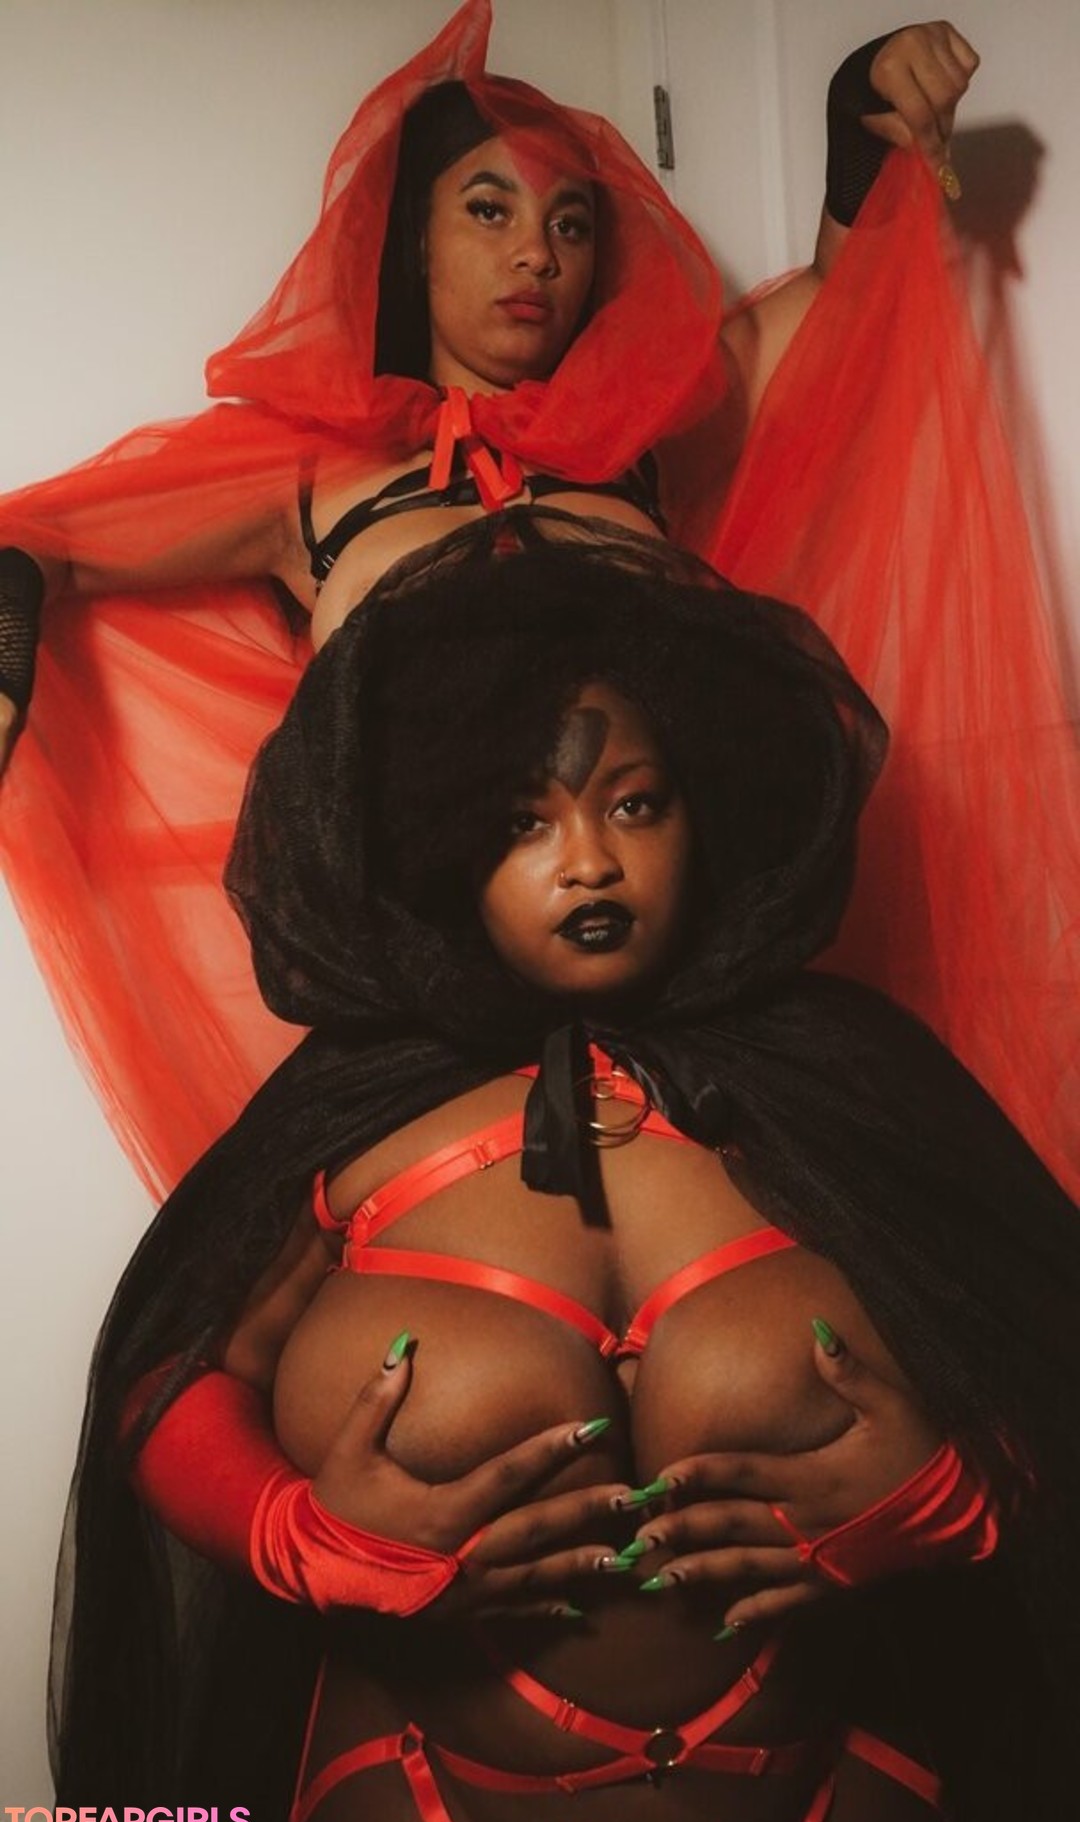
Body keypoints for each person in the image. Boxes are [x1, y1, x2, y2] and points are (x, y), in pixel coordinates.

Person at [58, 517, 1080, 1822]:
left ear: (705, 808)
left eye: (634, 803)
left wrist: (965, 1489)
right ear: (442, 846)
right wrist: (291, 1532)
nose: (590, 860)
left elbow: (1051, 1350)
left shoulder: (850, 1085)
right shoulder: (348, 1119)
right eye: (521, 819)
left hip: (850, 1795)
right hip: (420, 1803)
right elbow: (167, 1376)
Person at [0, 1, 1007, 1203]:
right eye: (490, 210)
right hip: (430, 1032)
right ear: (411, 244)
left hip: (695, 997)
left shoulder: (644, 439)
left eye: (569, 222)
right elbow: (45, 544)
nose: (537, 253)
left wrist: (861, 96)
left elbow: (845, 302)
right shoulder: (312, 476)